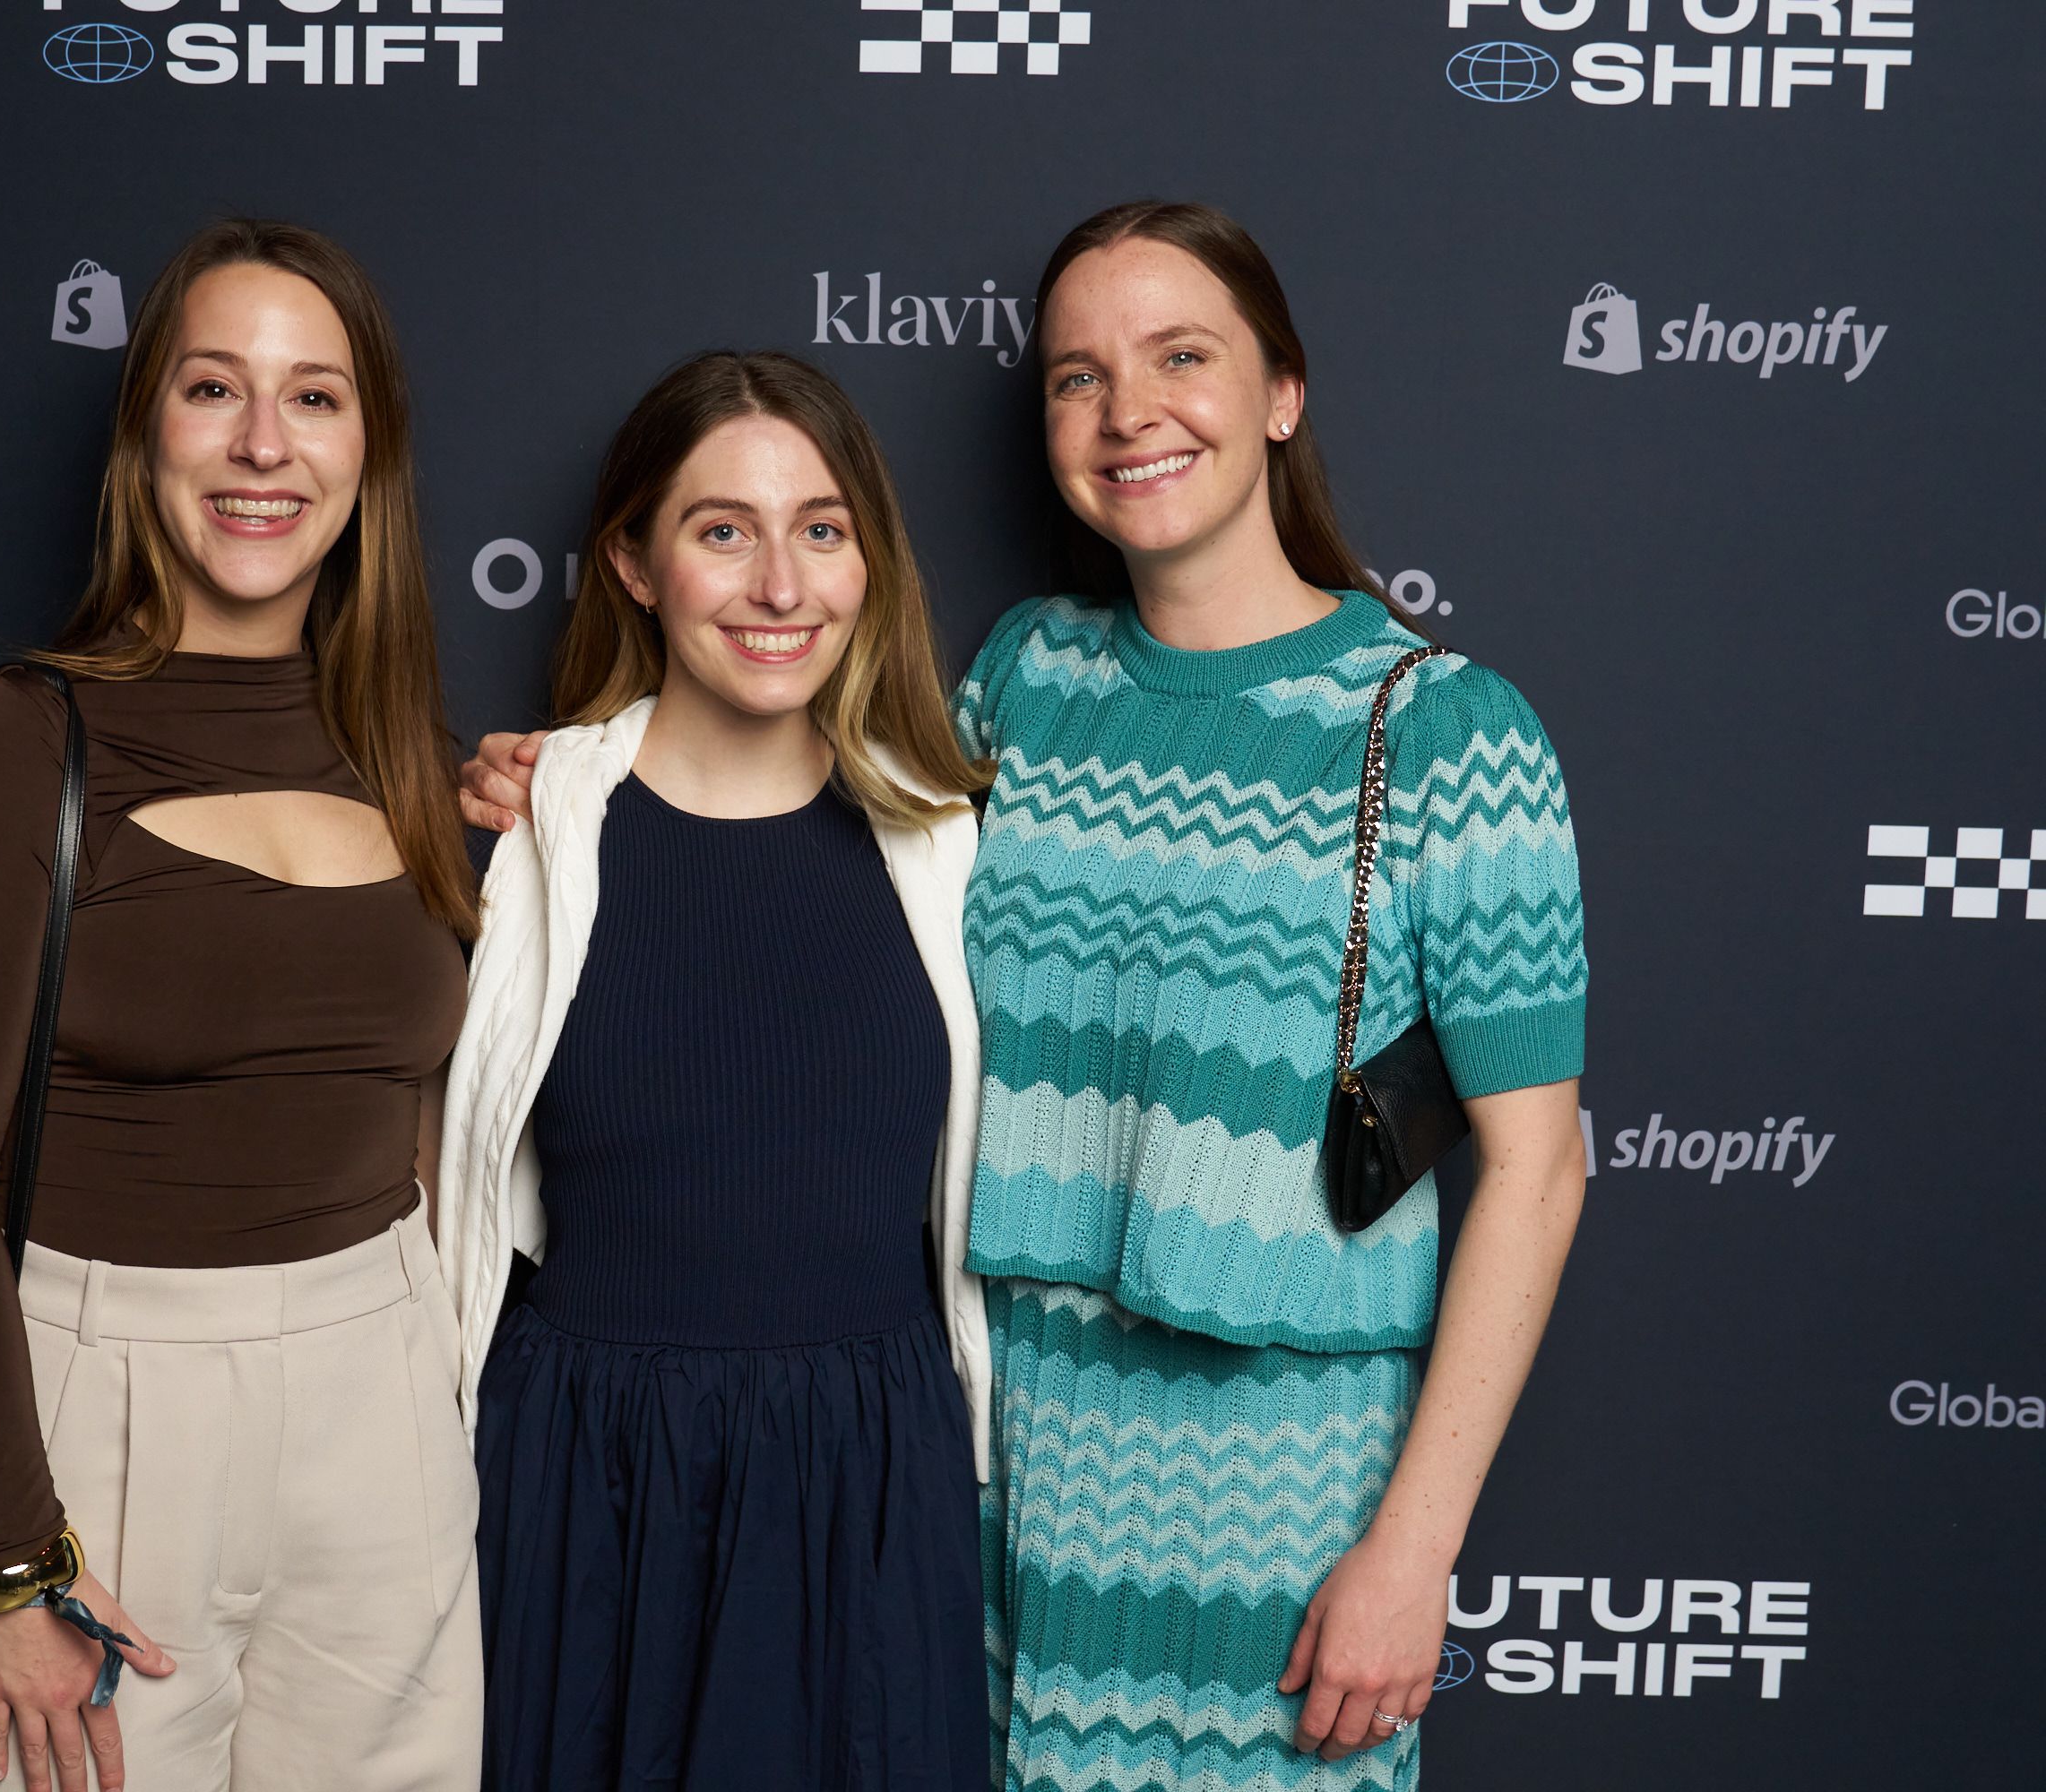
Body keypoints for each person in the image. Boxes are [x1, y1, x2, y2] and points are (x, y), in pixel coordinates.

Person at [460, 202, 1591, 1792]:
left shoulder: (1454, 734)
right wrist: (566, 782)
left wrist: (1415, 1545)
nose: (1130, 412)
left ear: (1282, 394)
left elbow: (1539, 1165)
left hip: (1276, 1500)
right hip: (995, 1480)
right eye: (1078, 376)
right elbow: (781, 812)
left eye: (1181, 358)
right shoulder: (1024, 684)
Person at [0, 218, 481, 1792]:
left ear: (370, 454)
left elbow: (420, 1106)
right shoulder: (18, 739)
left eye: (315, 397)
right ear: (146, 434)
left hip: (380, 1408)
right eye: (214, 388)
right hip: (86, 1414)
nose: (264, 443)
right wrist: (10, 1561)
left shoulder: (409, 752)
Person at [435, 350, 993, 1791]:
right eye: (723, 530)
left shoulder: (948, 843)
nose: (780, 585)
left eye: (821, 529)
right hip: (585, 1480)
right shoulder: (526, 837)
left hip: (869, 1482)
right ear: (633, 562)